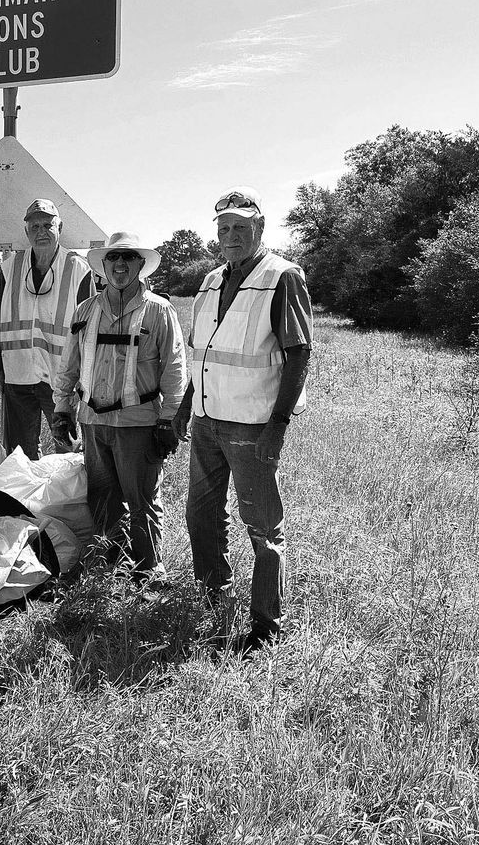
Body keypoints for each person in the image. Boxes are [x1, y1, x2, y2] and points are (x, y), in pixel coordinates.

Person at [171, 186, 312, 655]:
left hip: (252, 424)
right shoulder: (212, 279)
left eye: (240, 227)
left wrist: (278, 426)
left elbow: (298, 355)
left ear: (260, 228)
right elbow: (202, 353)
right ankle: (213, 599)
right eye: (224, 227)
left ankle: (267, 626)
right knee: (201, 514)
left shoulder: (282, 276)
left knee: (263, 527)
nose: (231, 235)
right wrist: (185, 404)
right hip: (207, 418)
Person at [53, 231, 187, 586]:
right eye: (114, 258)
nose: (120, 264)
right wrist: (62, 409)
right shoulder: (85, 311)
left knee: (142, 500)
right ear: (104, 265)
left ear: (141, 265)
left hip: (139, 423)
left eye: (128, 257)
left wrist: (169, 420)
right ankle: (113, 567)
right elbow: (69, 364)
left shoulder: (159, 310)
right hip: (92, 422)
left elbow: (175, 369)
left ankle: (149, 572)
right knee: (102, 497)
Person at [0, 198, 94, 459]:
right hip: (17, 373)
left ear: (60, 227)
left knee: (69, 449)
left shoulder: (78, 268)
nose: (41, 232)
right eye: (34, 226)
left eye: (48, 225)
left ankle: (67, 499)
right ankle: (24, 499)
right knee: (19, 453)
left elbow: (90, 329)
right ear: (26, 232)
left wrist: (84, 377)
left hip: (61, 378)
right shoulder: (11, 266)